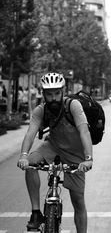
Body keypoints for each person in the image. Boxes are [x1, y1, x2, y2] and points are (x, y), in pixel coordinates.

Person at [17, 72, 93, 233]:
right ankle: (36, 213)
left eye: (57, 93)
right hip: (53, 146)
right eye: (49, 94)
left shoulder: (73, 106)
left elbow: (84, 131)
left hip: (75, 154)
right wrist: (23, 155)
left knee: (78, 201)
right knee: (30, 164)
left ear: (63, 92)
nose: (53, 98)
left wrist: (88, 158)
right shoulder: (41, 110)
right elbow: (30, 133)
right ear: (43, 94)